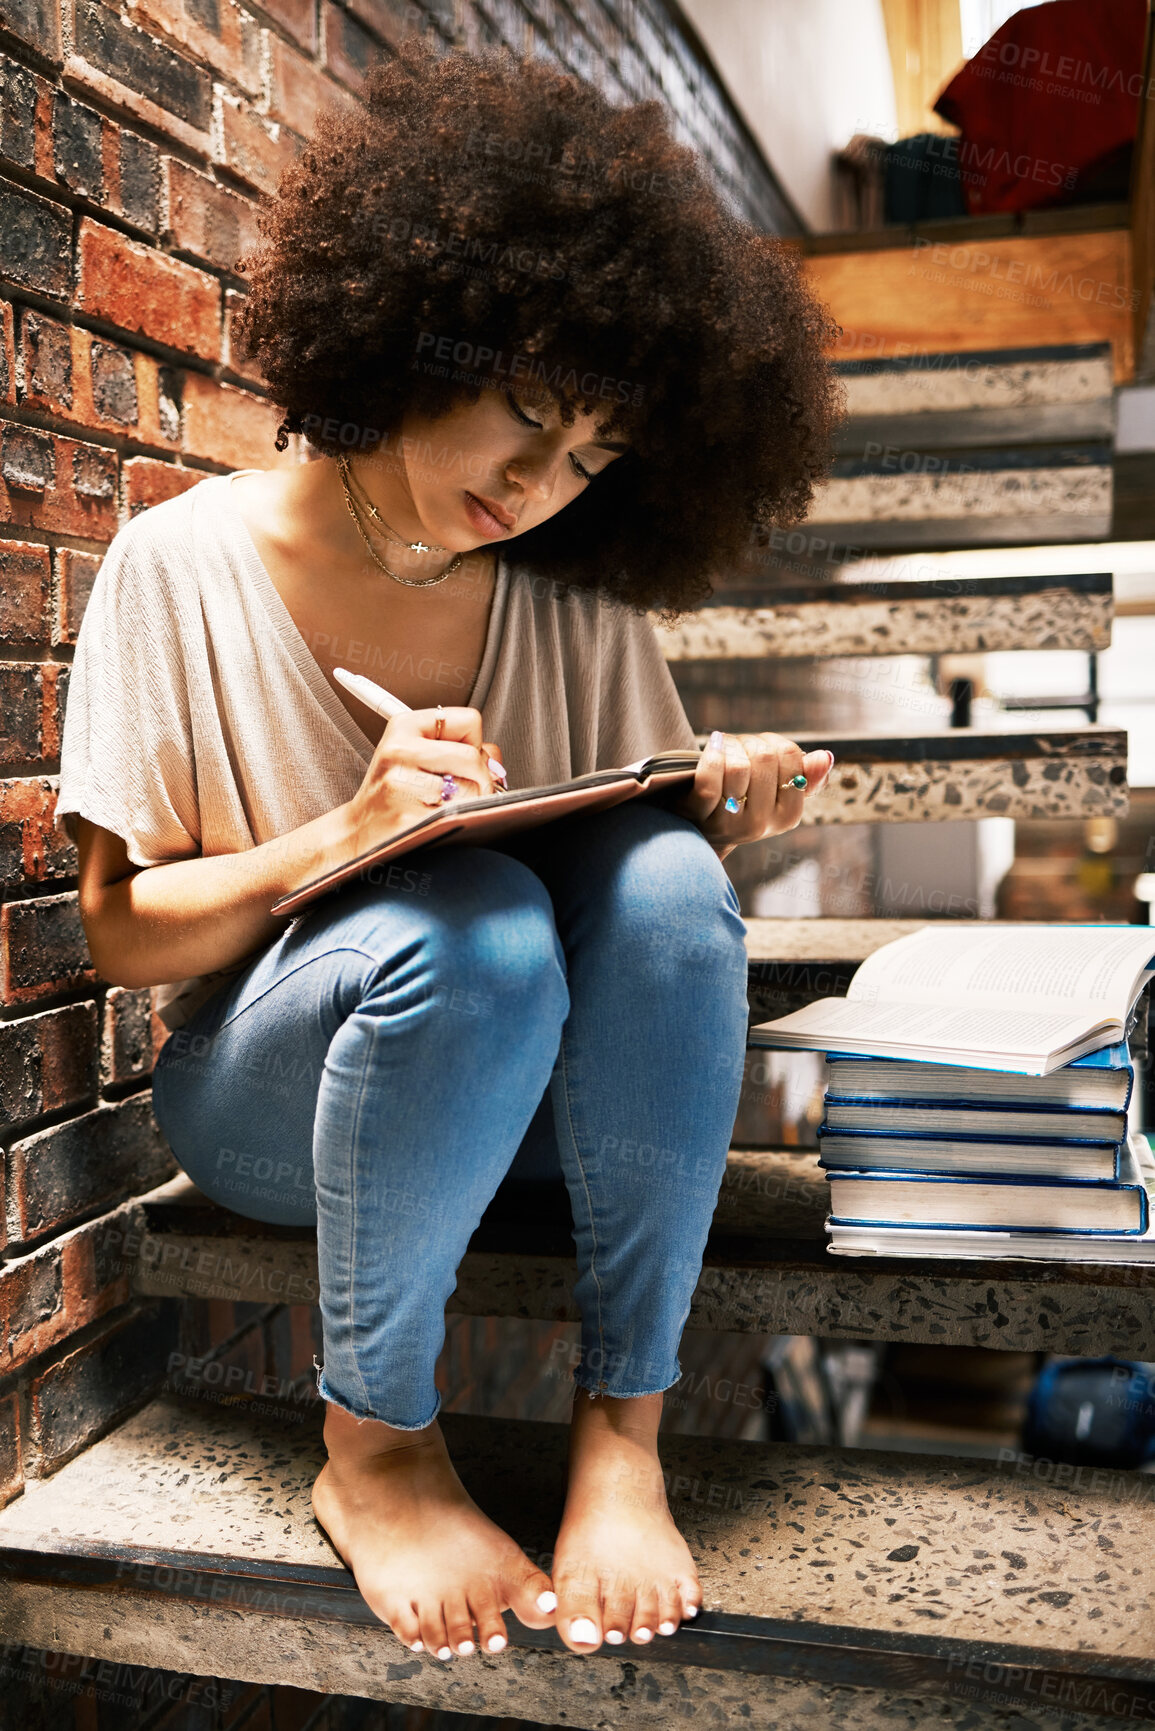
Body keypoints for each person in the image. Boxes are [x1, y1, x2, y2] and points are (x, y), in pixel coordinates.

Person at [55, 37, 841, 1667]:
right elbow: (124, 941)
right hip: (285, 1091)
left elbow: (648, 926)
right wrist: (349, 834)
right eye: (526, 418)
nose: (536, 488)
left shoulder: (575, 595)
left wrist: (725, 805)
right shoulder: (178, 565)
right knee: (462, 924)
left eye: (591, 462)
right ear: (420, 332)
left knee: (672, 878)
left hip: (541, 1106)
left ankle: (622, 1436)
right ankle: (380, 1447)